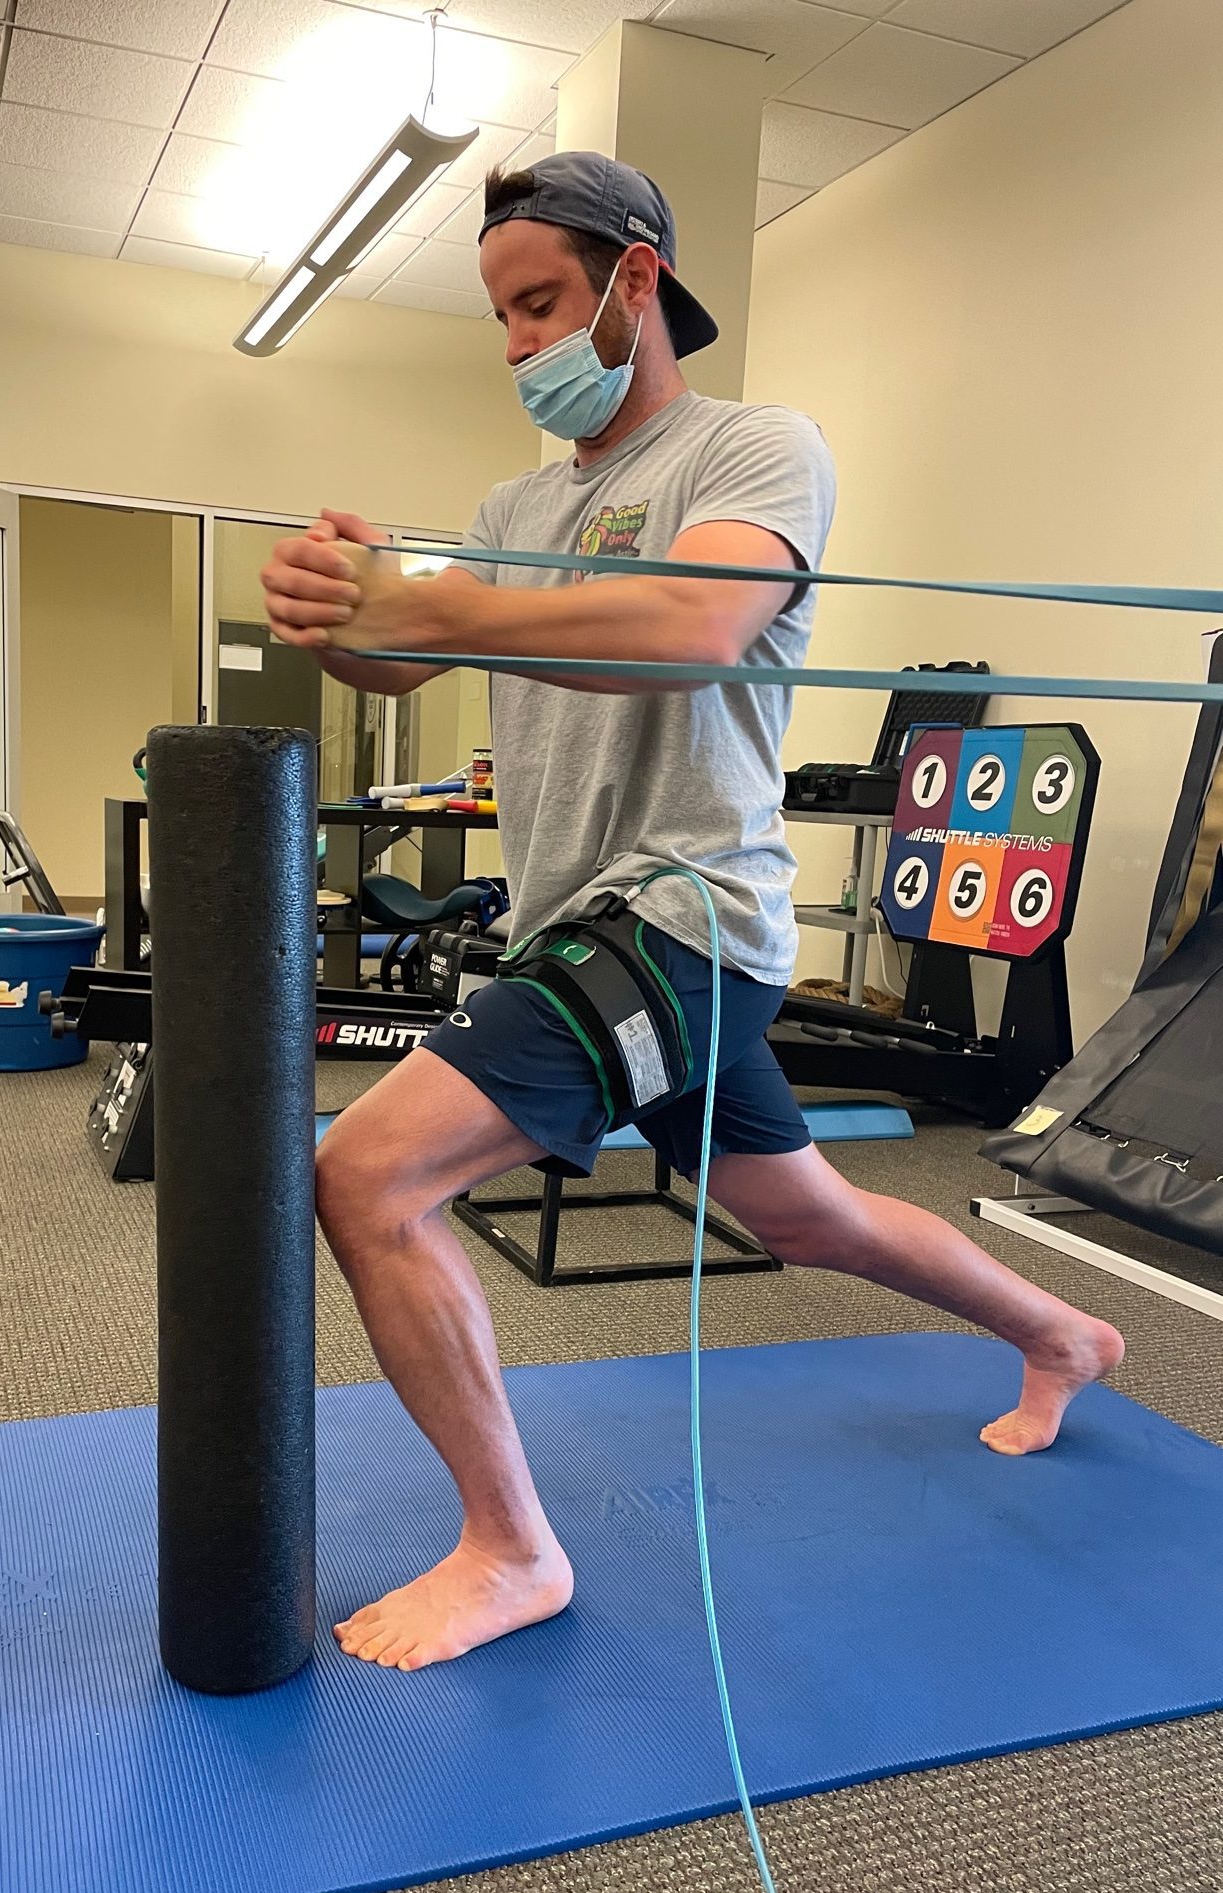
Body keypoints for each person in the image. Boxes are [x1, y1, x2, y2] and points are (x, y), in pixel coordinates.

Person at [260, 152, 1123, 1676]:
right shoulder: (519, 504)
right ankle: (1063, 1333)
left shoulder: (754, 448)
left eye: (541, 303)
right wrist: (344, 611)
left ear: (636, 279)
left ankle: (514, 1550)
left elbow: (695, 625)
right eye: (502, 318)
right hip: (578, 929)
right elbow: (408, 655)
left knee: (369, 1177)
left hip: (681, 917)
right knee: (809, 1216)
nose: (520, 344)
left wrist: (431, 604)